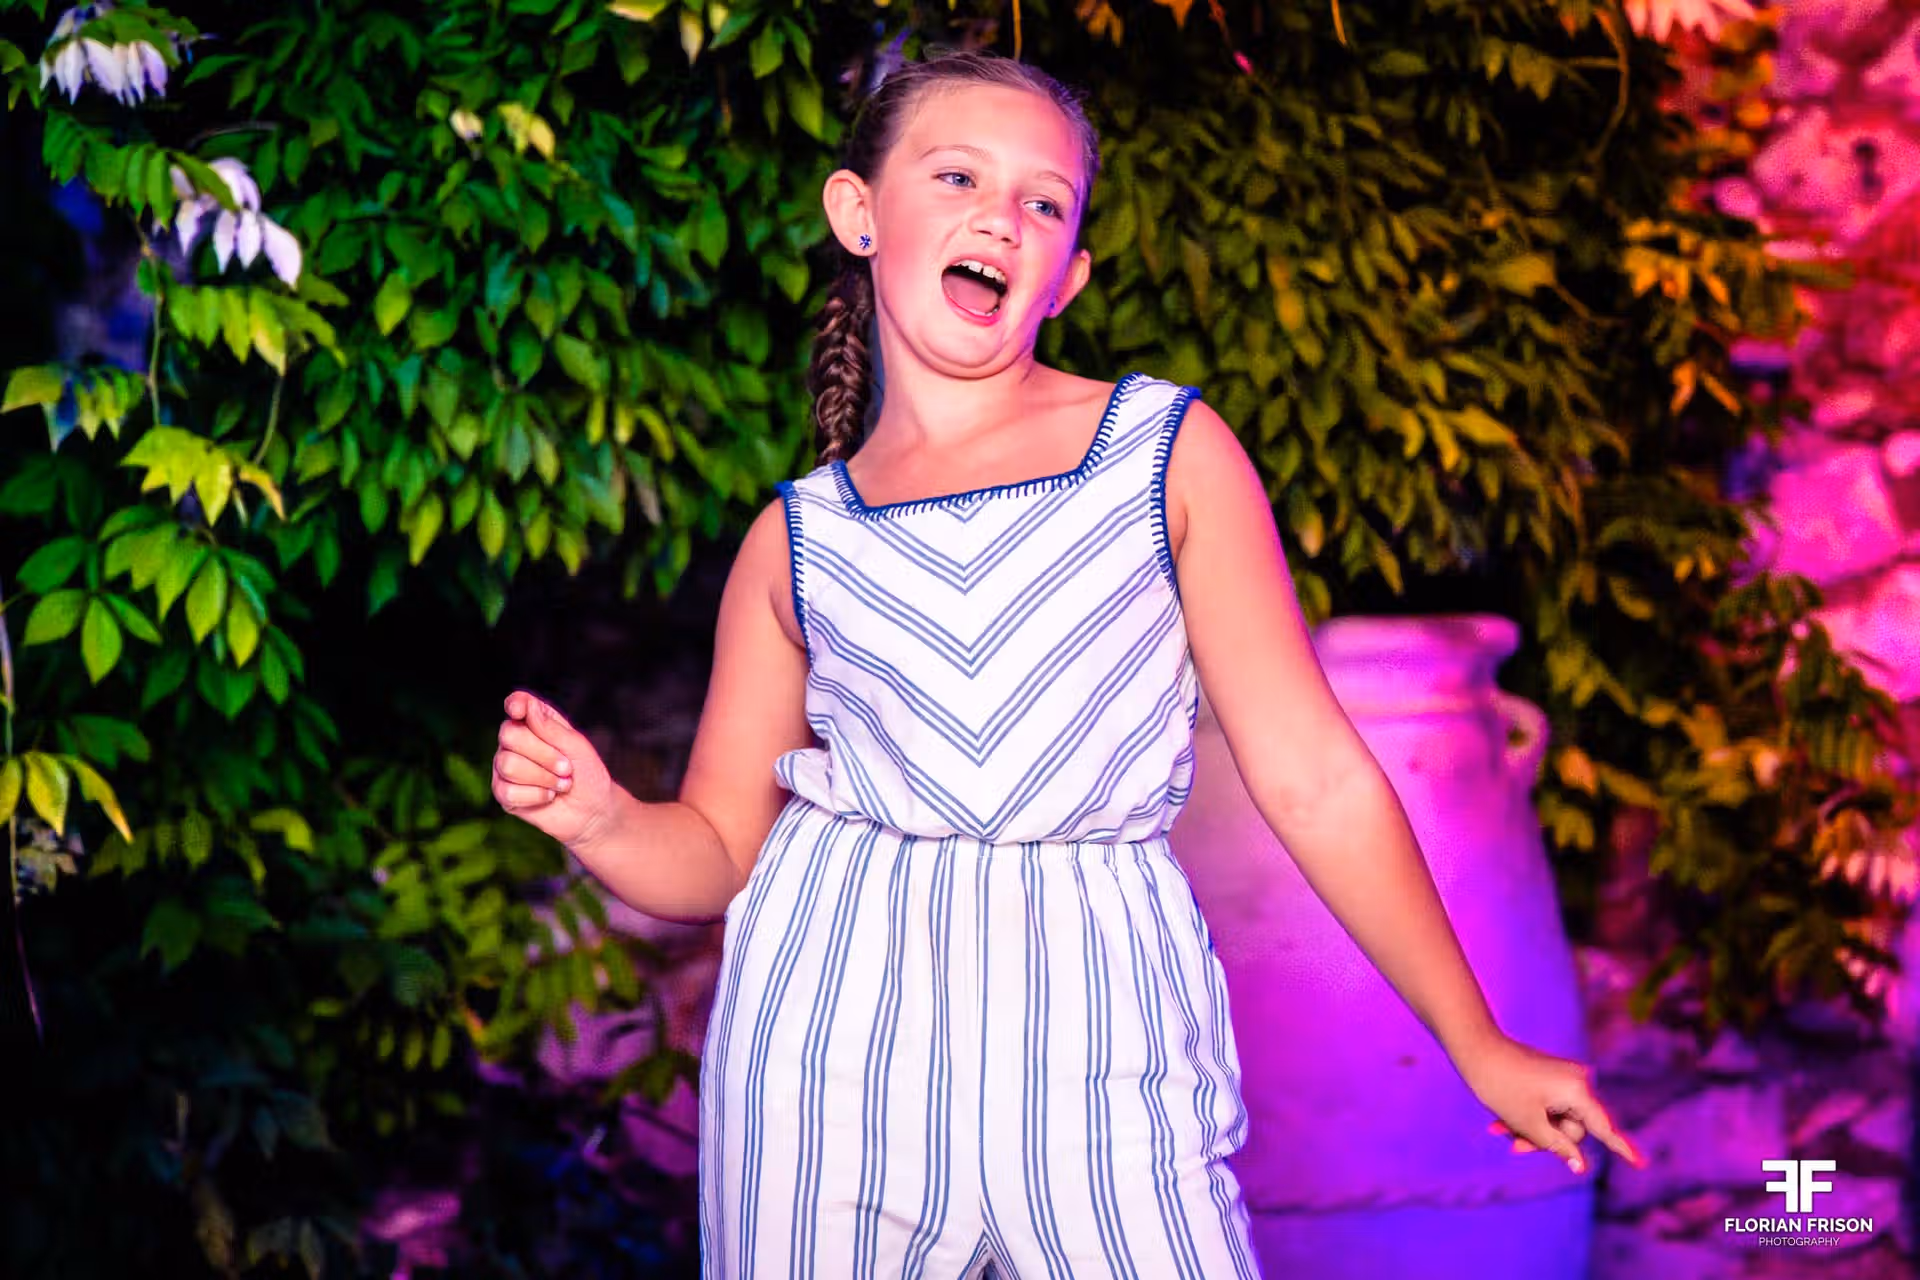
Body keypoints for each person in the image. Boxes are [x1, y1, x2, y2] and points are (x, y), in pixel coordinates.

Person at [491, 49, 1645, 1279]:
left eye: (1045, 201)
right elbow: (718, 851)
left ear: (1068, 276)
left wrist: (1475, 1038)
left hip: (1104, 1022)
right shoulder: (797, 540)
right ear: (858, 213)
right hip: (828, 1039)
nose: (1002, 213)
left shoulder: (1163, 453)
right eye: (957, 175)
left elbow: (1314, 776)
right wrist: (605, 818)